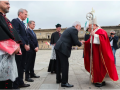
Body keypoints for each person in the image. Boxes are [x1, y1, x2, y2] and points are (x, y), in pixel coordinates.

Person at [84, 17, 119, 87]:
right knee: (96, 66)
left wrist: (95, 35)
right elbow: (90, 40)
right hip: (95, 53)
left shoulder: (101, 31)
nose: (89, 27)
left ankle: (100, 81)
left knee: (100, 66)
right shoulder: (94, 31)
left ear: (94, 25)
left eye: (90, 26)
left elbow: (103, 40)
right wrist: (85, 42)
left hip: (100, 54)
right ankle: (97, 79)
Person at [54, 21, 84, 87]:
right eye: (80, 27)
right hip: (63, 48)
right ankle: (64, 82)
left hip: (58, 47)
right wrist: (81, 43)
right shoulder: (74, 30)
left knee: (59, 64)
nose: (80, 28)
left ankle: (58, 79)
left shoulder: (69, 29)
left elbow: (72, 41)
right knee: (65, 65)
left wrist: (78, 42)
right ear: (76, 26)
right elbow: (76, 41)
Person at [0, 0, 21, 89]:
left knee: (8, 80)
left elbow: (13, 33)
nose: (9, 6)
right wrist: (13, 47)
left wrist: (17, 44)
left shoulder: (5, 18)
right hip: (2, 53)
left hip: (8, 55)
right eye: (6, 3)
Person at [11, 8, 30, 89]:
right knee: (18, 66)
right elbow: (16, 33)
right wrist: (24, 44)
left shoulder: (22, 23)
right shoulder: (15, 21)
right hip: (19, 47)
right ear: (20, 13)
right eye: (25, 14)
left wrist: (27, 44)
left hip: (24, 47)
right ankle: (15, 84)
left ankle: (20, 81)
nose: (26, 16)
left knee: (22, 65)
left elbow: (25, 35)